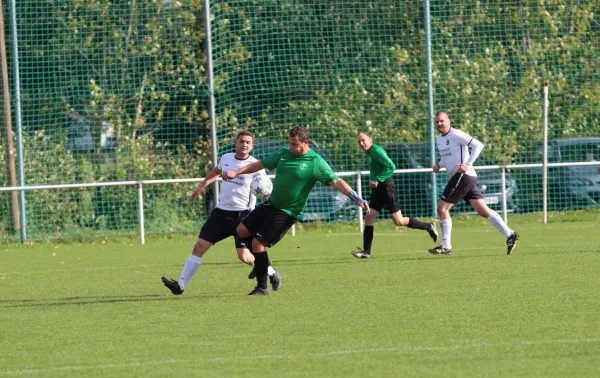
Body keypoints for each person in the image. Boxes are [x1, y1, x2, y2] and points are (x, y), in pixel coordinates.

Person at [222, 126, 370, 296]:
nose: (291, 146)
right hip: (271, 204)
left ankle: (262, 287)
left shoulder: (315, 161)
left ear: (305, 143)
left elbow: (336, 182)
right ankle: (262, 264)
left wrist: (355, 197)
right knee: (241, 231)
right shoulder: (284, 153)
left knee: (257, 243)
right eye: (289, 143)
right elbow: (260, 164)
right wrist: (236, 171)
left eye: (294, 144)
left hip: (287, 212)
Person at [161, 130, 281, 295]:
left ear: (252, 146)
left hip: (243, 215)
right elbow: (215, 172)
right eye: (241, 141)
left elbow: (264, 186)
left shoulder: (255, 166)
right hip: (221, 213)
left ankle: (272, 273)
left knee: (245, 257)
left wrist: (268, 195)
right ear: (235, 142)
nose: (244, 144)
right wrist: (202, 185)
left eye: (248, 142)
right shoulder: (226, 158)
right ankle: (180, 286)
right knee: (200, 246)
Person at [429, 111, 519, 255]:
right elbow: (447, 157)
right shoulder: (439, 139)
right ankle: (510, 234)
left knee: (442, 208)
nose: (439, 124)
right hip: (465, 178)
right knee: (482, 210)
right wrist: (439, 165)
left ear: (449, 121)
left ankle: (446, 245)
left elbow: (478, 145)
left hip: (462, 176)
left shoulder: (456, 134)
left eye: (442, 121)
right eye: (437, 122)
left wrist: (467, 164)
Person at [351, 132, 438, 259]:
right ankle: (366, 251)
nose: (361, 143)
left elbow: (391, 166)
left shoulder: (377, 151)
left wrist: (377, 179)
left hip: (386, 188)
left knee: (399, 221)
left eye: (363, 140)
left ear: (370, 139)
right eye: (359, 141)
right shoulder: (369, 153)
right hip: (378, 189)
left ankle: (428, 226)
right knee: (369, 217)